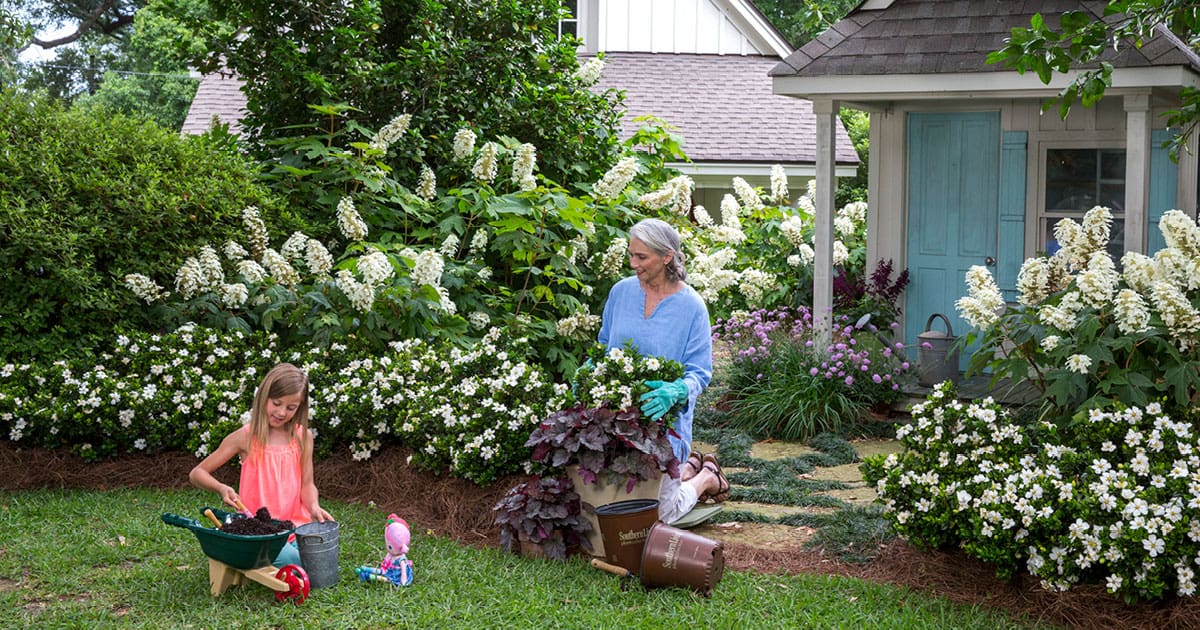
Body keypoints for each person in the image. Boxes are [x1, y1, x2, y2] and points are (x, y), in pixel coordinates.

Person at [596, 218, 729, 525]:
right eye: (631, 254)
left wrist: (677, 390)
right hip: (615, 416)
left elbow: (699, 372)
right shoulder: (620, 293)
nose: (633, 264)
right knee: (612, 504)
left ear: (667, 256)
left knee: (660, 514)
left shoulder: (692, 307)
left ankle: (706, 477)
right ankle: (688, 469)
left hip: (664, 424)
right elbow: (603, 345)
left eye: (641, 257)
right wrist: (591, 370)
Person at [189, 363, 333, 566]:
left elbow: (307, 484)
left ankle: (291, 558)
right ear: (263, 397)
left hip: (296, 526)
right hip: (259, 532)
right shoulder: (245, 438)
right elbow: (197, 473)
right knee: (295, 560)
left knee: (320, 555)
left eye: (290, 408)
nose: (281, 412)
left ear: (299, 407)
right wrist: (222, 488)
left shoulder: (303, 437)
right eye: (277, 403)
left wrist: (314, 506)